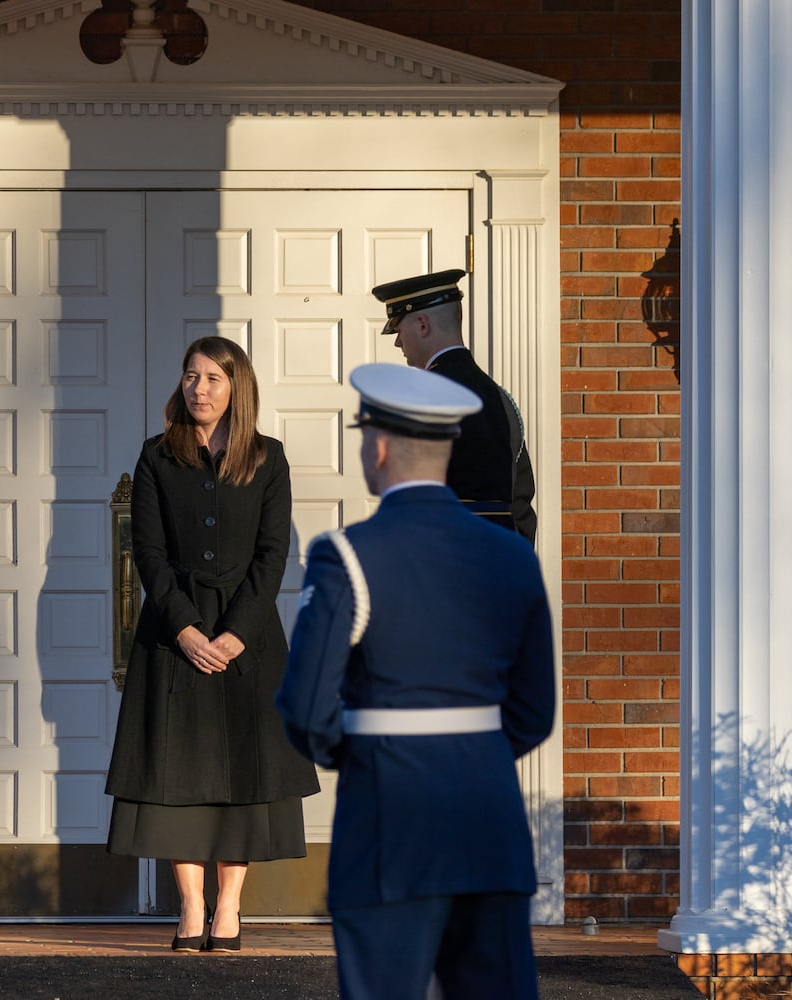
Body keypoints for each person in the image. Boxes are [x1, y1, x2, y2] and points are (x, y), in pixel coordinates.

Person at [276, 363, 555, 998]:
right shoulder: (512, 554)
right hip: (488, 820)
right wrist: (469, 749)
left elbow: (304, 706)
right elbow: (535, 710)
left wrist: (368, 752)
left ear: (377, 446)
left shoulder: (346, 553)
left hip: (389, 821)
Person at [106, 336, 320, 953]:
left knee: (242, 777)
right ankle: (190, 909)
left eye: (213, 380)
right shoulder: (156, 457)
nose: (199, 389)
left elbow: (272, 555)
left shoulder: (268, 458)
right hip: (173, 639)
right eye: (191, 377)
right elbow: (147, 553)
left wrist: (234, 635)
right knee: (176, 778)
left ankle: (229, 909)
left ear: (237, 389)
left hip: (246, 639)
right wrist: (185, 629)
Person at [373, 268, 538, 543]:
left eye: (399, 330)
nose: (398, 342)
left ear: (423, 325)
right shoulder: (501, 398)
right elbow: (520, 504)